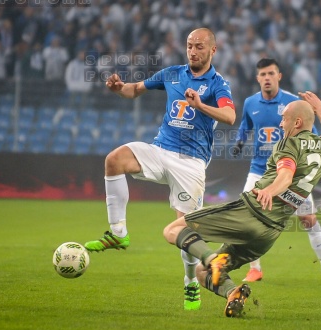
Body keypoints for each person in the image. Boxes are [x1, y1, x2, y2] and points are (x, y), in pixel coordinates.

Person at [83, 28, 236, 311]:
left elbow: (230, 116)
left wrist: (201, 105)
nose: (193, 51)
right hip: (160, 150)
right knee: (114, 160)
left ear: (212, 51)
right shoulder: (172, 73)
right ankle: (118, 232)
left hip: (191, 164)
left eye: (199, 46)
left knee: (185, 231)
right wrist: (119, 88)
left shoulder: (218, 84)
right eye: (189, 45)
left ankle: (191, 282)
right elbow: (135, 90)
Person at [162, 91, 321, 317]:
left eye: (284, 118)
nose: (280, 122)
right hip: (269, 234)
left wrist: (269, 191)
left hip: (249, 214)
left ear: (297, 122)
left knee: (172, 230)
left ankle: (211, 258)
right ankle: (233, 293)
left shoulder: (288, 144)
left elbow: (285, 175)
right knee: (202, 272)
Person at [232, 58, 321, 284]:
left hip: (293, 172)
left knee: (308, 219)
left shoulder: (293, 103)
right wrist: (239, 143)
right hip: (259, 170)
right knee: (247, 216)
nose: (267, 78)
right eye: (263, 74)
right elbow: (245, 127)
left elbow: (313, 133)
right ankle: (255, 268)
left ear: (279, 76)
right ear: (257, 78)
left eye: (271, 73)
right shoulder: (251, 102)